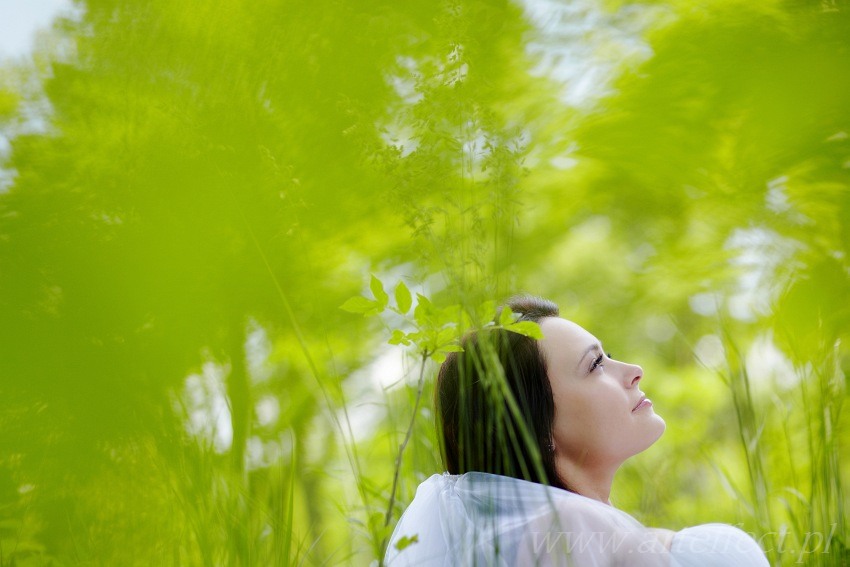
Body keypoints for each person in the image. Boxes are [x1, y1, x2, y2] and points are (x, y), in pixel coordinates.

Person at [384, 295, 769, 566]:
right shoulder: (568, 539)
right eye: (595, 365)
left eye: (609, 355)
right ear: (531, 426)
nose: (634, 371)